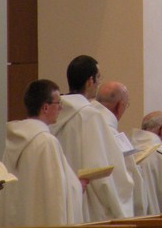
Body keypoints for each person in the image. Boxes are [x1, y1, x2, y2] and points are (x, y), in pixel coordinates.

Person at [50, 55, 133, 221]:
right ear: (90, 81)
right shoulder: (90, 116)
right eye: (99, 77)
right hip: (87, 204)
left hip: (59, 200)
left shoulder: (54, 115)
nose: (99, 82)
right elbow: (102, 171)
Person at [0, 79, 84, 227]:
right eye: (58, 103)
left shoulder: (14, 142)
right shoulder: (46, 142)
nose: (61, 108)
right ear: (45, 107)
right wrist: (77, 186)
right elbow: (57, 193)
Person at [93, 81, 143, 216]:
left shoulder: (82, 123)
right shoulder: (111, 135)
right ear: (120, 106)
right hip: (106, 214)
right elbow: (123, 184)